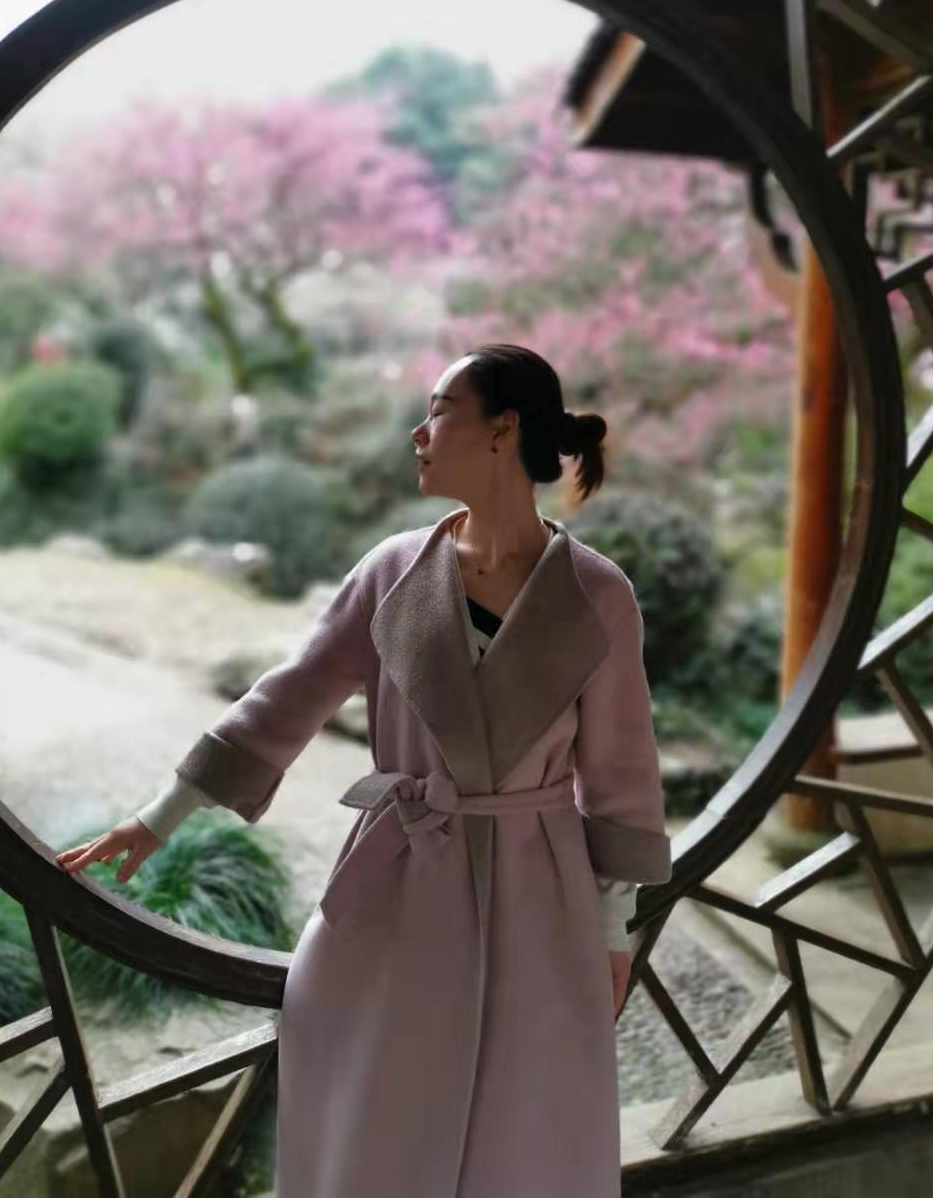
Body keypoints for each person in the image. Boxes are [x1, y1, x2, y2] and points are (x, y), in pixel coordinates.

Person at [55, 343, 671, 1198]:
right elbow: (287, 699)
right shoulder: (392, 572)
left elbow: (620, 776)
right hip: (398, 884)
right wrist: (160, 815)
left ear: (503, 430)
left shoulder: (598, 595)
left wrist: (610, 932)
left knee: (526, 1128)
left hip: (540, 900)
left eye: (440, 411)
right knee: (372, 1111)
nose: (418, 433)